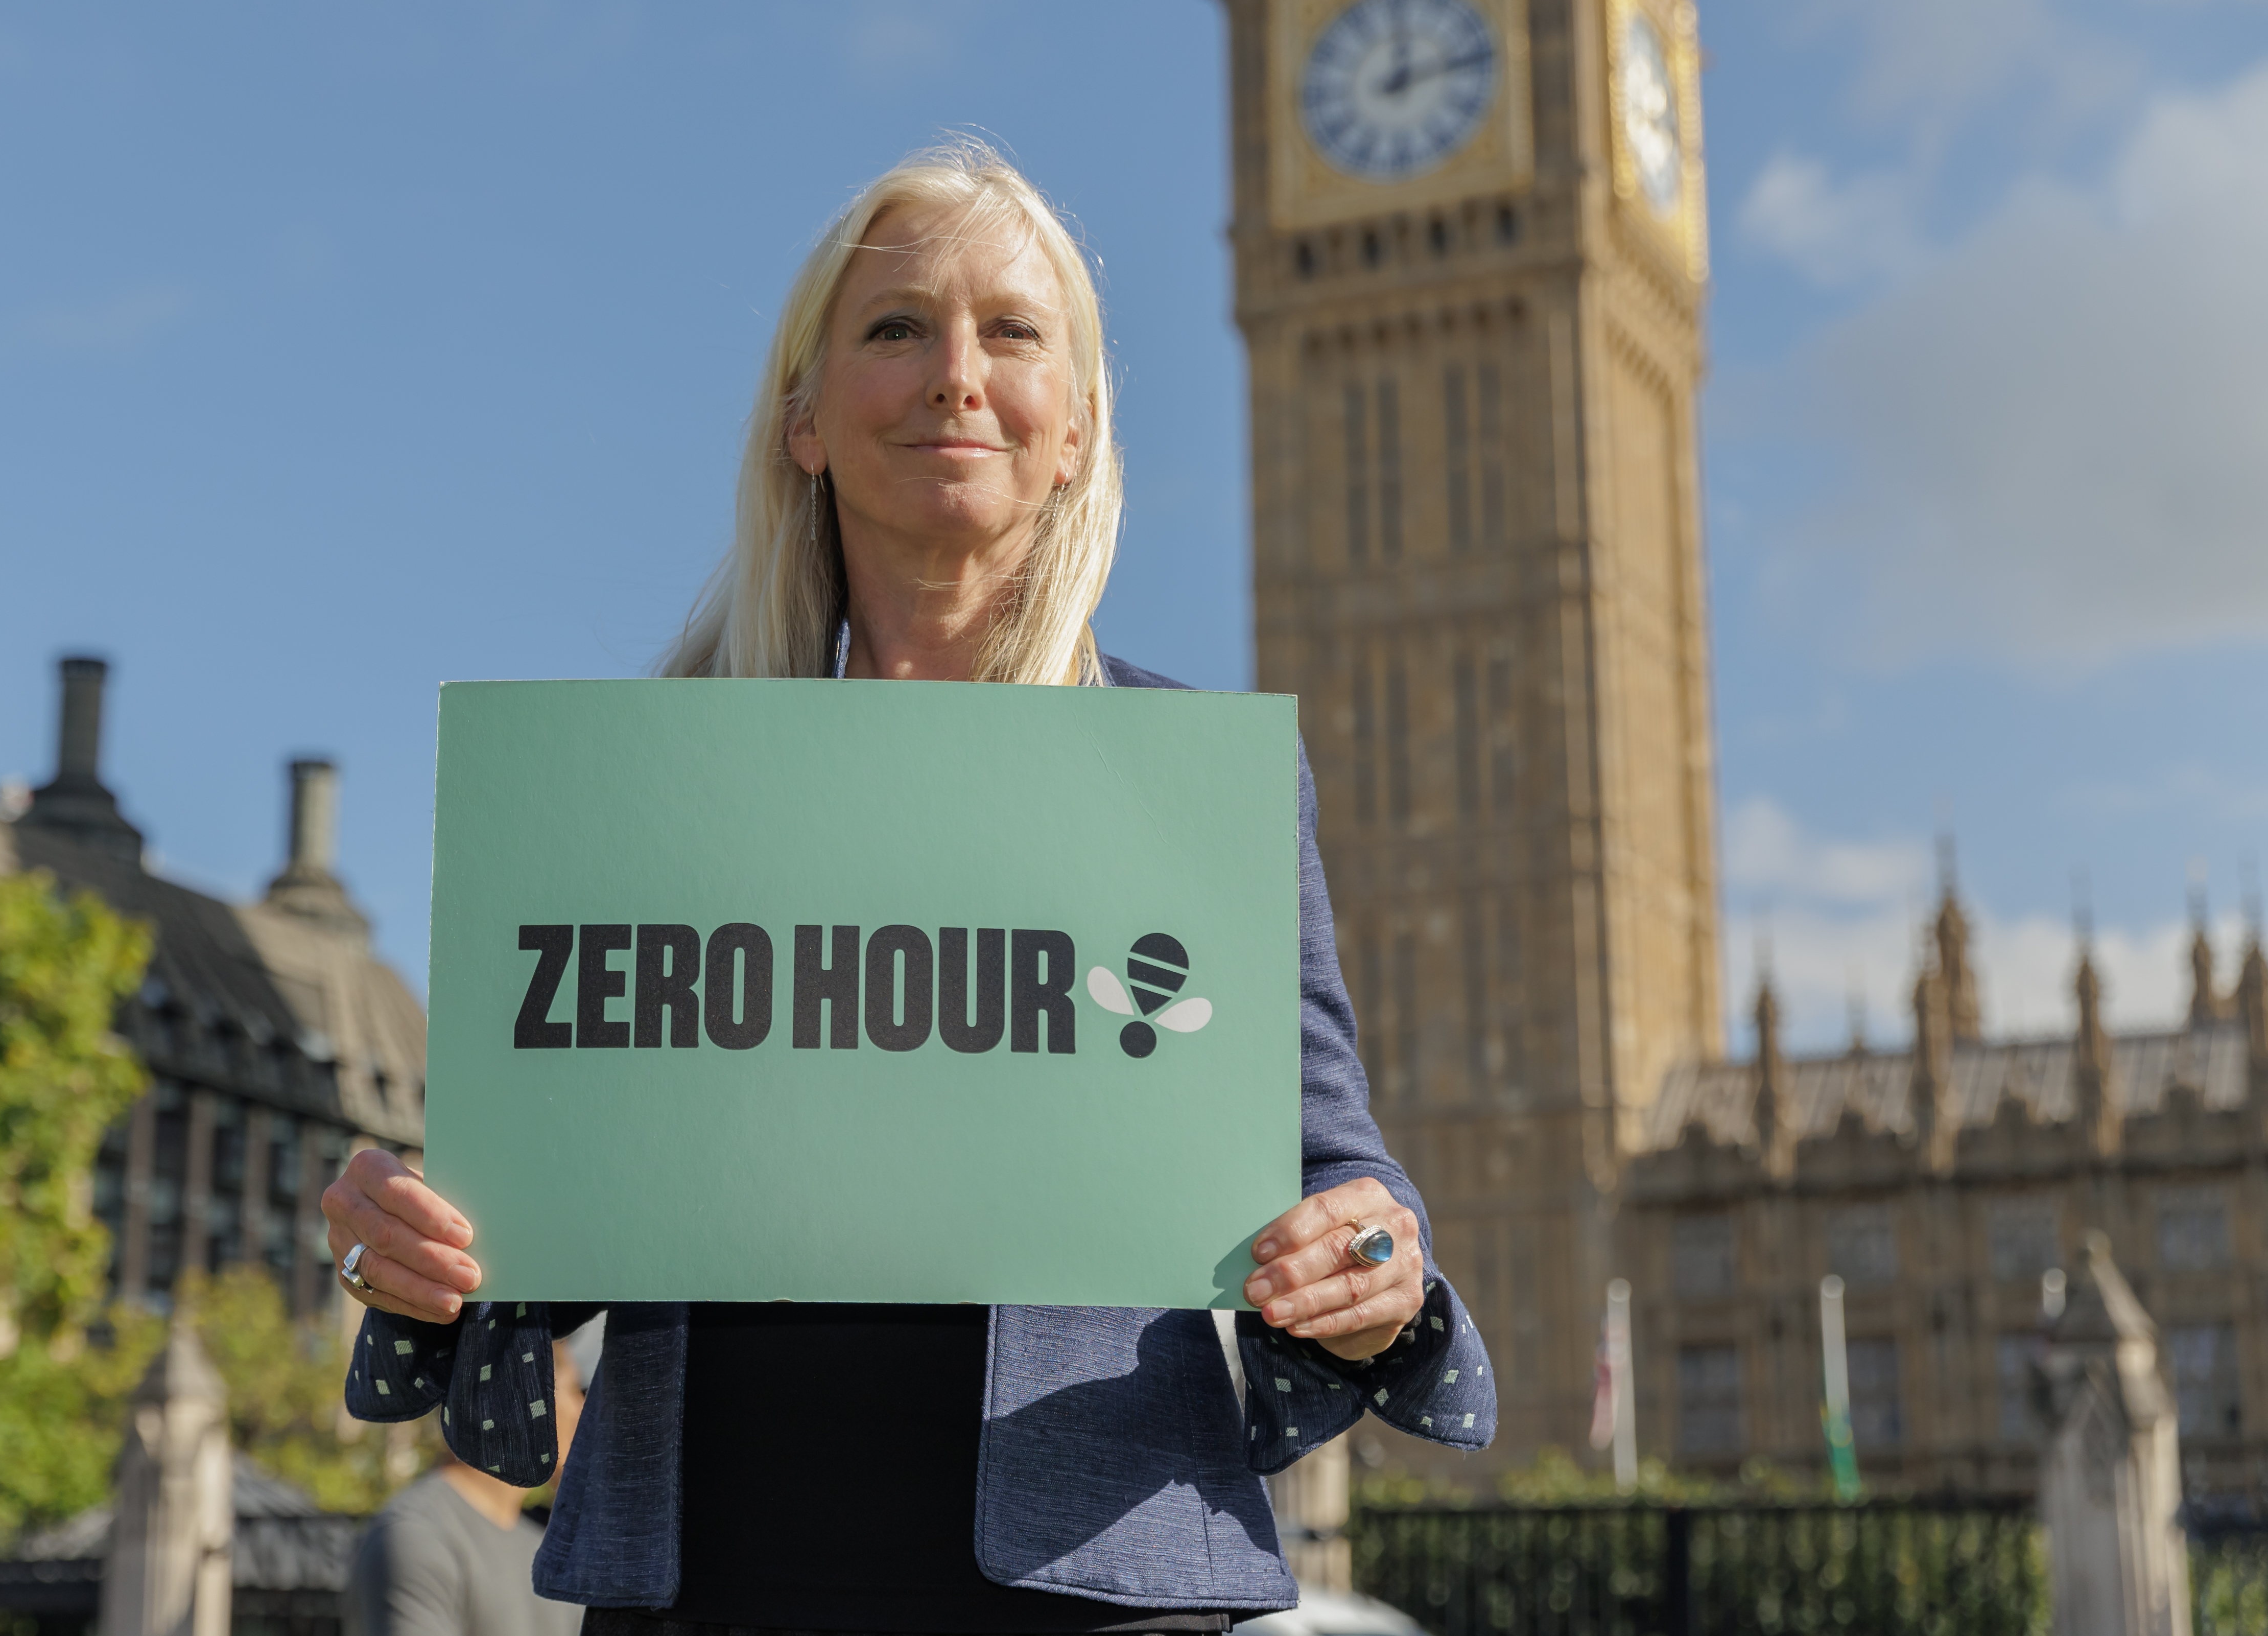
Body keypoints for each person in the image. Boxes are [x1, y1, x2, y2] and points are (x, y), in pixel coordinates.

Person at [323, 141, 1495, 1628]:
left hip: (1102, 1583)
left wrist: (1369, 1259)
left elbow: (1335, 1166)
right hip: (714, 1579)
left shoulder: (1196, 789)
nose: (955, 374)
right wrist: (402, 1240)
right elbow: (529, 1202)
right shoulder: (643, 774)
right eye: (895, 327)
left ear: (1073, 428)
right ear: (801, 420)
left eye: (1011, 332)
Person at [343, 1333, 591, 1636]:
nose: (583, 1411)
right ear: (530, 1398)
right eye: (574, 1391)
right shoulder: (418, 1537)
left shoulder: (546, 1542)